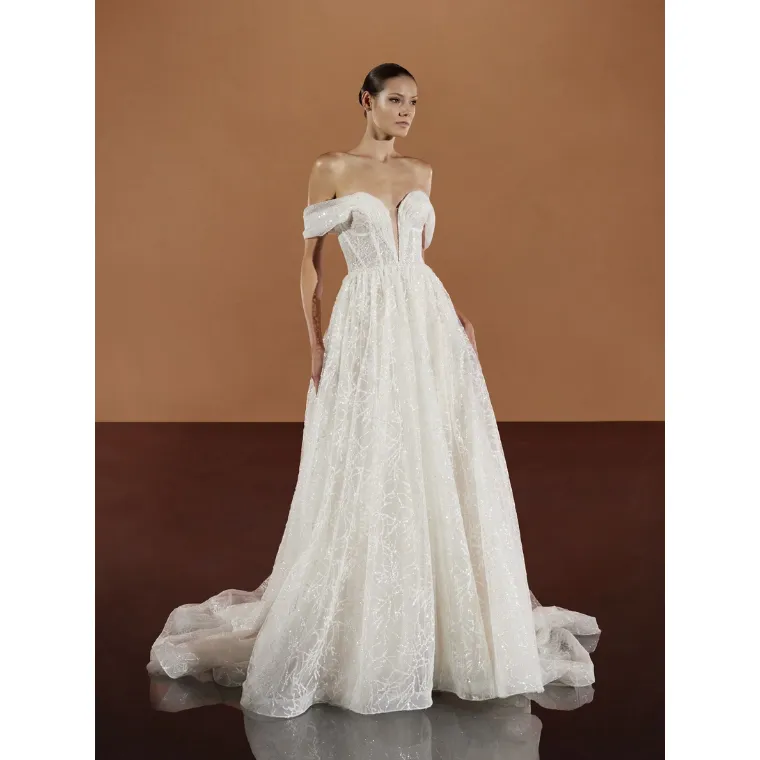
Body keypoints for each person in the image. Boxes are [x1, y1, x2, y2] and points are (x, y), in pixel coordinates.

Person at [147, 62, 601, 719]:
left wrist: (458, 314)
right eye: (395, 99)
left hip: (427, 320)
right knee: (371, 453)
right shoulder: (331, 167)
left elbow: (417, 260)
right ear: (367, 100)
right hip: (365, 321)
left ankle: (445, 623)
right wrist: (313, 342)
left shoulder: (422, 172)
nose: (407, 111)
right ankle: (369, 622)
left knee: (436, 453)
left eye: (414, 102)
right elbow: (309, 265)